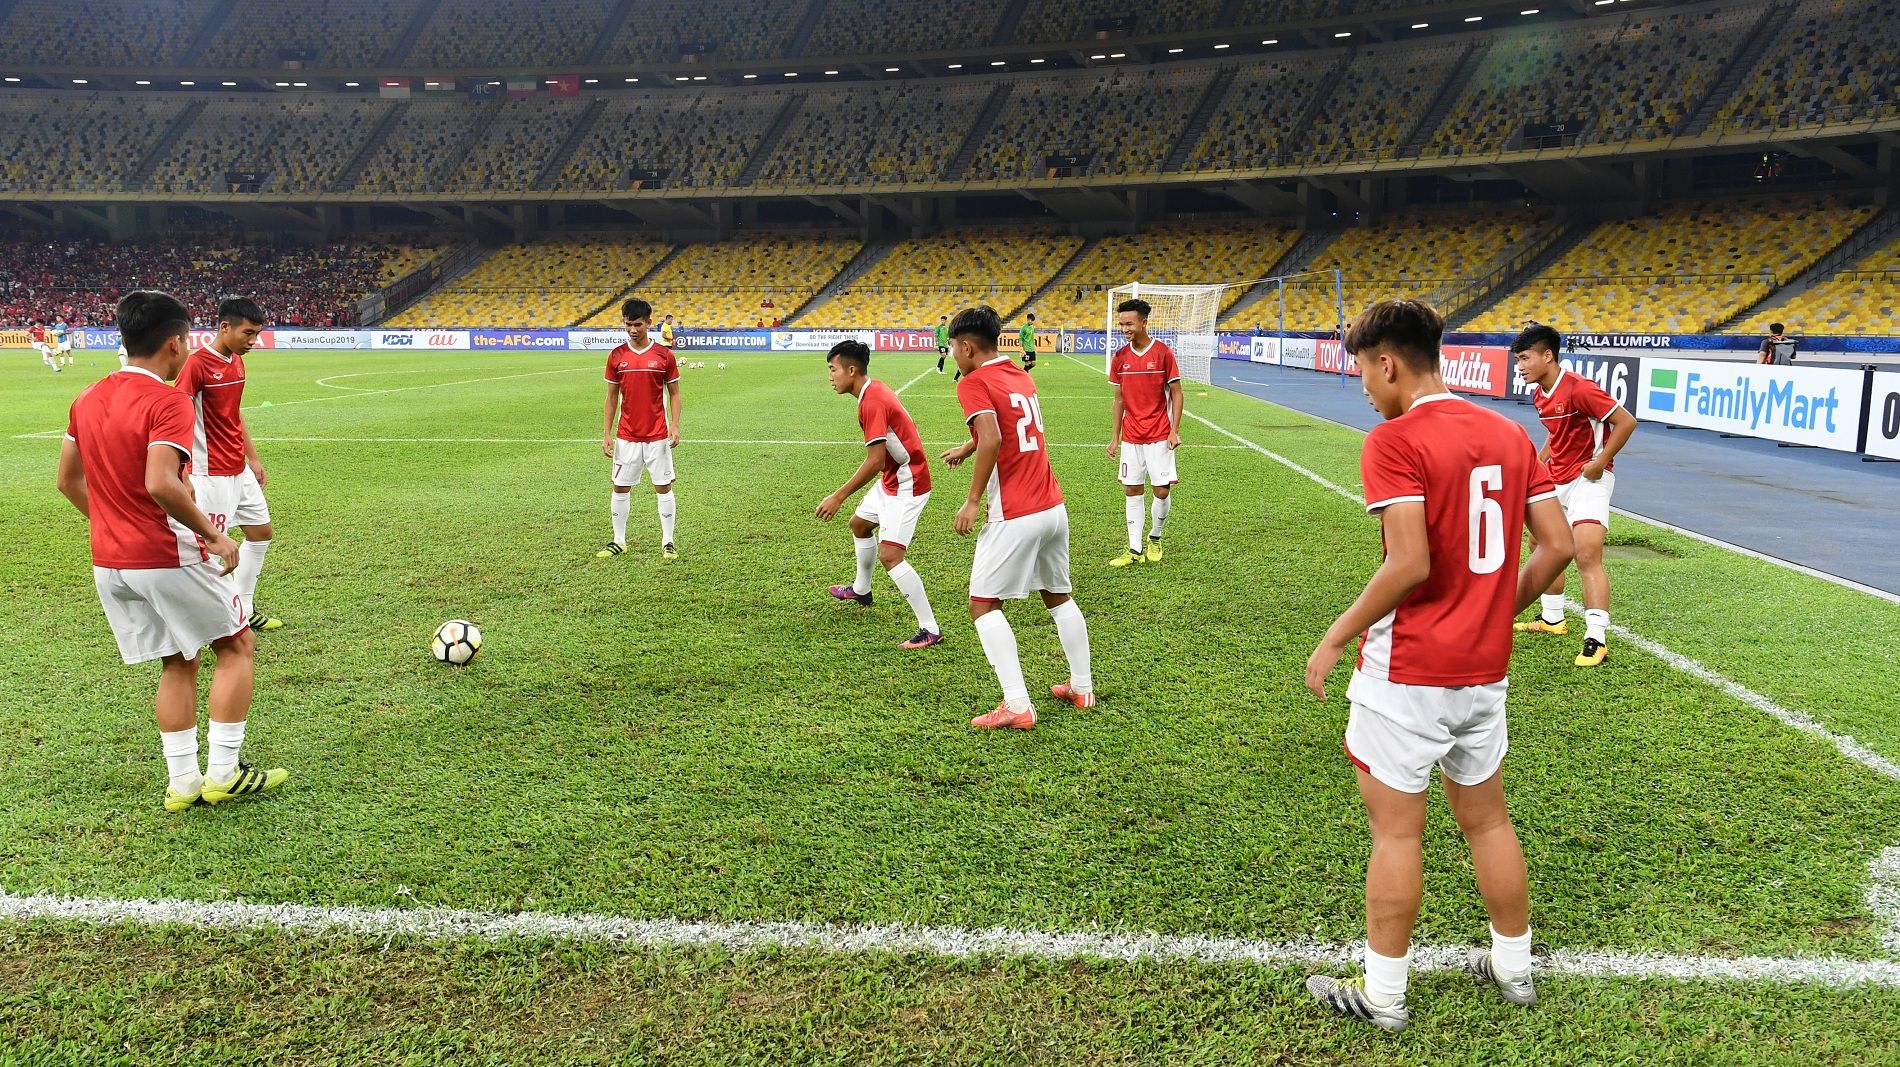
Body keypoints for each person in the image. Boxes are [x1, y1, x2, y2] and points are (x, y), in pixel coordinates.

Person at [1303, 299, 1573, 1032]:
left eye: (1362, 368)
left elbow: (1410, 562)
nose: (1362, 383)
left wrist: (1333, 635)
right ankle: (1513, 968)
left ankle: (1384, 995)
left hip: (1408, 670)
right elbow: (1558, 547)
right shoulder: (1511, 433)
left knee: (1397, 834)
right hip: (1484, 670)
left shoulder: (1394, 439)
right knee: (1487, 820)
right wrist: (1496, 613)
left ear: (1387, 362)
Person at [57, 291, 287, 813]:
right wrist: (213, 532)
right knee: (236, 646)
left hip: (110, 563)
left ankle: (183, 783)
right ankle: (223, 774)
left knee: (179, 659)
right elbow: (162, 482)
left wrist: (113, 525)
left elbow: (67, 481)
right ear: (175, 342)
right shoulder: (168, 401)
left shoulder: (87, 397)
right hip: (164, 555)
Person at [940, 305, 1093, 730]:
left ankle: (1017, 705)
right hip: (1052, 506)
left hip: (1016, 511)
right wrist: (967, 448)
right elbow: (1005, 429)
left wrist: (972, 500)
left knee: (983, 605)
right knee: (1058, 596)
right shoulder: (1020, 374)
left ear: (967, 347)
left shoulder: (972, 381)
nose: (952, 353)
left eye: (953, 346)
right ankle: (1082, 687)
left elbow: (992, 434)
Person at [1510, 324, 1636, 667]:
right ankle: (1553, 619)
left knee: (1586, 552)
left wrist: (1600, 462)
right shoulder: (1540, 392)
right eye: (1518, 360)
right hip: (1557, 477)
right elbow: (1557, 432)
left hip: (1589, 479)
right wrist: (1538, 462)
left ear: (1547, 356)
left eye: (1525, 358)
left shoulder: (1579, 388)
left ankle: (1597, 638)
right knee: (1540, 543)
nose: (1519, 366)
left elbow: (1626, 422)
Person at [816, 340, 942, 650]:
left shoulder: (871, 401)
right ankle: (862, 589)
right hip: (893, 477)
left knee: (891, 556)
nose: (830, 376)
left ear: (851, 370)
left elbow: (874, 460)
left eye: (833, 370)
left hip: (907, 481)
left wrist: (838, 495)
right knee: (860, 524)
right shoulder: (872, 391)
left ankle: (930, 629)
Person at [175, 297, 282, 632]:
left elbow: (234, 413)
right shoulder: (196, 366)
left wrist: (252, 457)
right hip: (210, 475)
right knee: (207, 549)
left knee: (260, 533)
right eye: (247, 334)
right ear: (224, 327)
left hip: (238, 470)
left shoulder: (237, 361)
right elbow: (175, 418)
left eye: (257, 335)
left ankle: (244, 608)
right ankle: (202, 622)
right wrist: (182, 472)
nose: (253, 342)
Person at [599, 298, 681, 560]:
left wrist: (675, 426)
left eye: (637, 324)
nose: (632, 330)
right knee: (620, 487)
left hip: (657, 435)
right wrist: (606, 433)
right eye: (627, 325)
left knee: (663, 487)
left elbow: (675, 393)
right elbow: (611, 396)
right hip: (627, 436)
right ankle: (618, 540)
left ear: (649, 322)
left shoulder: (664, 355)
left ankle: (668, 541)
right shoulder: (617, 356)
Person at [1106, 298, 1184, 567]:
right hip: (1131, 436)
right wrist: (1115, 436)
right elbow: (1119, 399)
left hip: (1160, 434)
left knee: (1161, 491)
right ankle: (1134, 548)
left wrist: (1175, 430)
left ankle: (1155, 536)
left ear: (1143, 323)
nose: (1125, 328)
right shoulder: (1120, 357)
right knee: (1132, 489)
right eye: (1122, 324)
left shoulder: (1163, 353)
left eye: (1129, 323)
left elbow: (1176, 392)